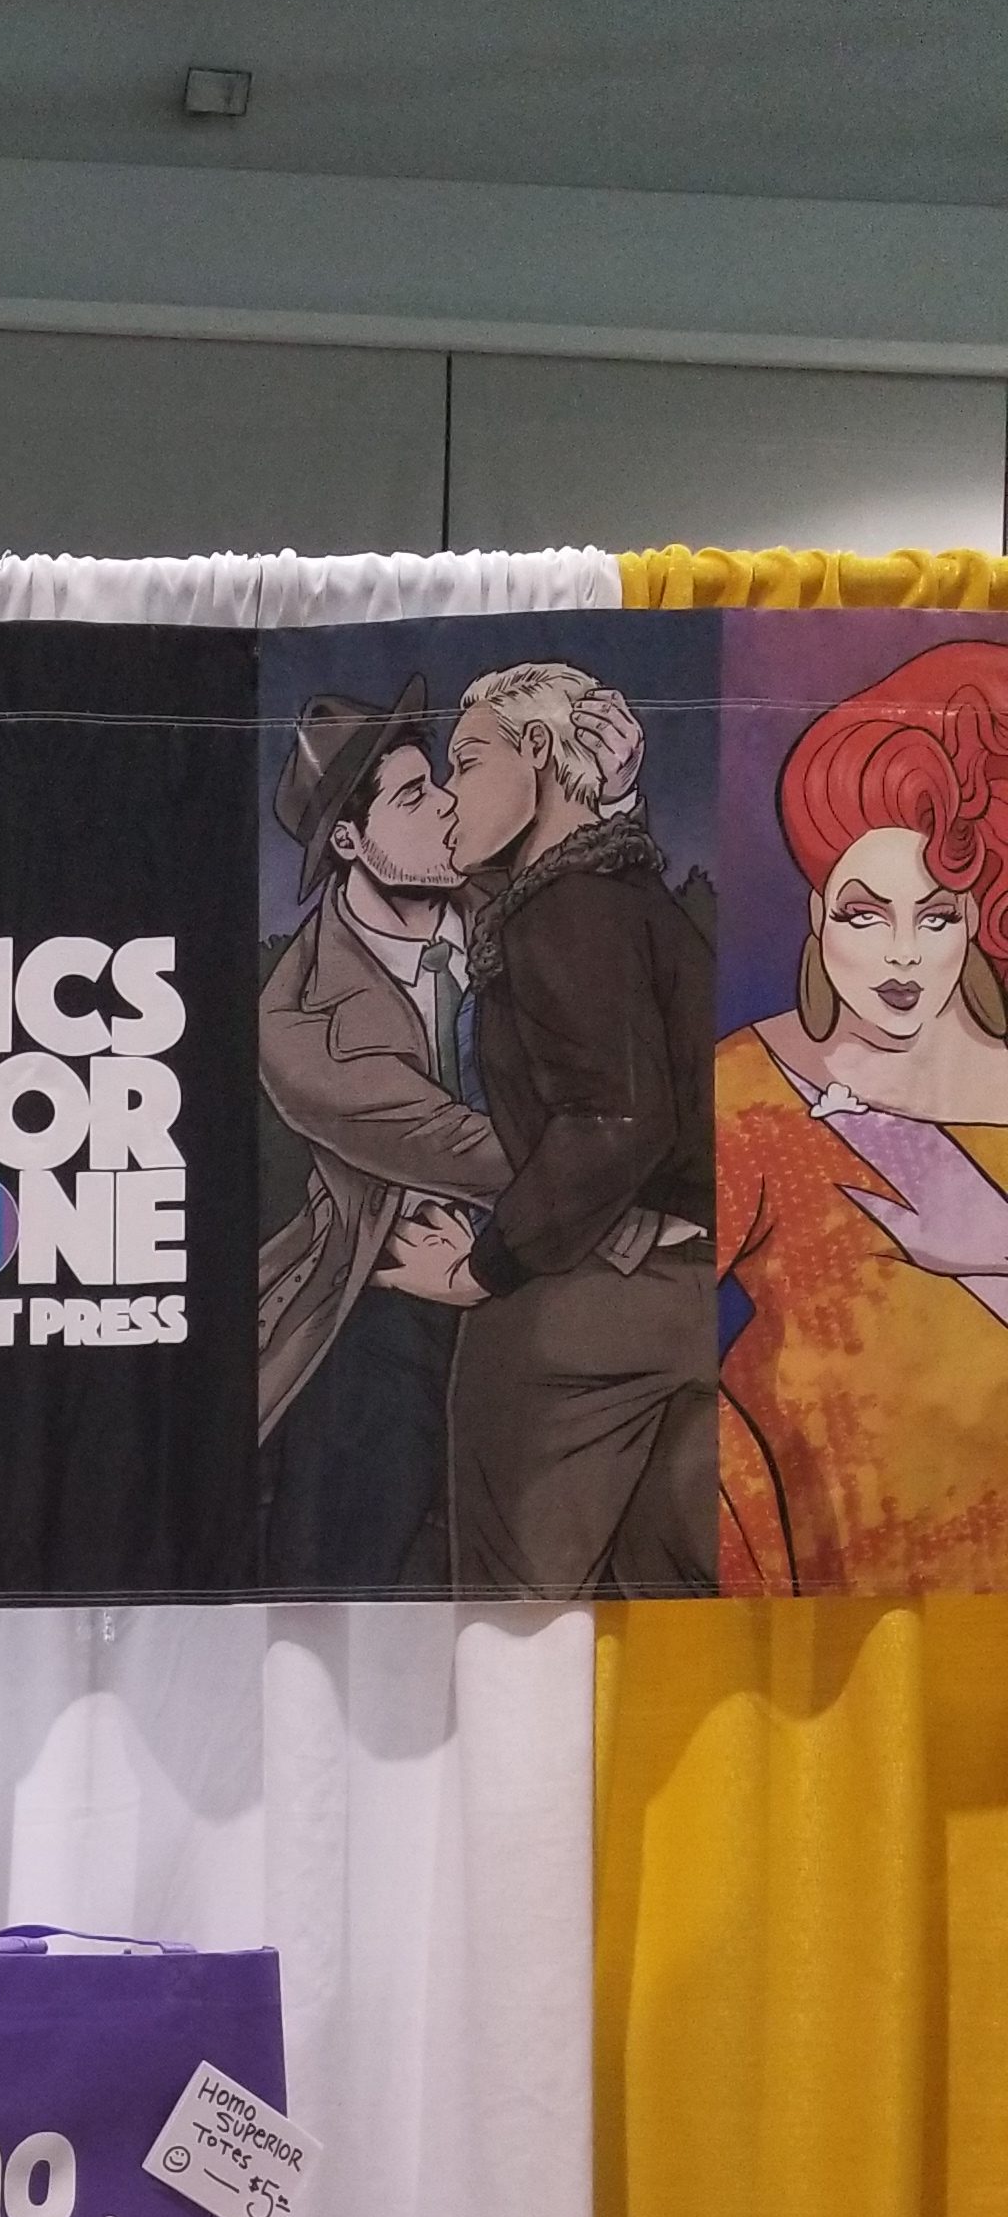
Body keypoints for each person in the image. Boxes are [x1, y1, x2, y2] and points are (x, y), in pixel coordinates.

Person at [713, 638, 1008, 1592]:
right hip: (812, 1612)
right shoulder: (749, 1088)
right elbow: (642, 1323)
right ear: (816, 915)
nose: (902, 953)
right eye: (863, 913)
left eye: (936, 915)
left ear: (976, 921)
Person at [437, 659, 718, 1596]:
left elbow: (616, 1118)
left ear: (538, 750)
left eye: (466, 762)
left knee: (510, 1615)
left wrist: (482, 1266)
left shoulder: (559, 911)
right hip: (695, 1293)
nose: (450, 793)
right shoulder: (620, 893)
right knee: (677, 1599)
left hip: (586, 1304)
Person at [255, 683, 515, 1587]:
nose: (445, 804)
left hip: (556, 1258)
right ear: (348, 842)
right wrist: (600, 1162)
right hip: (385, 1280)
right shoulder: (294, 1018)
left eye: (437, 781)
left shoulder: (525, 914)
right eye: (412, 796)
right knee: (340, 1543)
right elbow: (448, 1145)